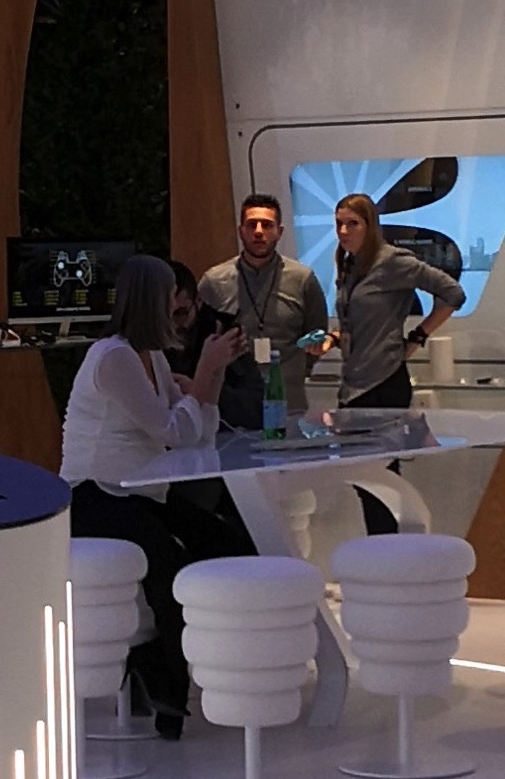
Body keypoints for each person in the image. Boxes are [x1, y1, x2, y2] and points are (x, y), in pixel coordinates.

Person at [62, 254, 250, 738]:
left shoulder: (154, 358)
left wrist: (212, 375)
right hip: (94, 495)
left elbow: (196, 432)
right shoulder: (114, 358)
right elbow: (173, 430)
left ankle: (225, 667)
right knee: (167, 563)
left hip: (140, 493)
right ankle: (164, 682)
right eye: (170, 298)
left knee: (224, 542)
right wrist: (203, 373)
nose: (177, 308)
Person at [314, 192, 466, 534]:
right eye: (339, 224)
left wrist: (418, 336)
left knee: (379, 478)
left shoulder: (393, 261)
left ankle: (390, 550)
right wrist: (333, 339)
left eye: (352, 224)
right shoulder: (349, 263)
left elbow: (453, 294)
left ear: (370, 225)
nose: (343, 231)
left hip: (382, 383)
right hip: (353, 383)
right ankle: (383, 550)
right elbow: (356, 320)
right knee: (364, 481)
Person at [198, 193, 328, 415]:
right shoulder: (214, 281)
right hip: (234, 405)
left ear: (280, 232)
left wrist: (297, 369)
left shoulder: (303, 279)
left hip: (289, 401)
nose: (258, 232)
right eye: (251, 225)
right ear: (240, 231)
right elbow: (200, 341)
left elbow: (316, 334)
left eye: (267, 225)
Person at [169, 260, 263, 431]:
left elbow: (258, 406)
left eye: (180, 313)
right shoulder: (145, 339)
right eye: (162, 314)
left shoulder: (223, 334)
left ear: (198, 301)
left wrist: (201, 390)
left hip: (222, 438)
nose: (172, 324)